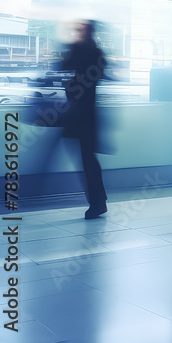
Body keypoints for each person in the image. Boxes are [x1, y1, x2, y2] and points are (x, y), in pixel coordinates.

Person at [61, 20, 108, 219]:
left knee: (87, 160)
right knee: (89, 159)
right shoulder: (97, 54)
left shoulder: (83, 51)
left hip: (80, 115)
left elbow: (65, 65)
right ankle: (98, 200)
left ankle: (97, 202)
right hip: (88, 115)